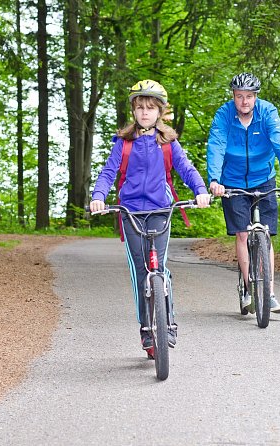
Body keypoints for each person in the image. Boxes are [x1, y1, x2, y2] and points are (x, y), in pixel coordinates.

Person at [90, 79, 211, 352]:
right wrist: (99, 197)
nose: (145, 112)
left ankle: (168, 322)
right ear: (133, 111)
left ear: (160, 112)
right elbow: (109, 173)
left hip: (159, 209)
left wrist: (201, 190)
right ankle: (146, 327)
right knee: (139, 269)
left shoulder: (168, 143)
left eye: (151, 108)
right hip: (131, 211)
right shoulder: (123, 143)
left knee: (160, 267)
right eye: (140, 107)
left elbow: (186, 169)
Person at [206, 72, 280, 314]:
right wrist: (215, 179)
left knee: (266, 235)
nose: (245, 101)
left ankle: (268, 294)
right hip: (232, 181)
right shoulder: (224, 115)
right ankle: (249, 289)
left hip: (263, 178)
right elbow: (216, 145)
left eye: (249, 96)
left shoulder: (267, 112)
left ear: (256, 97)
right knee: (241, 234)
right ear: (233, 97)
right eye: (240, 96)